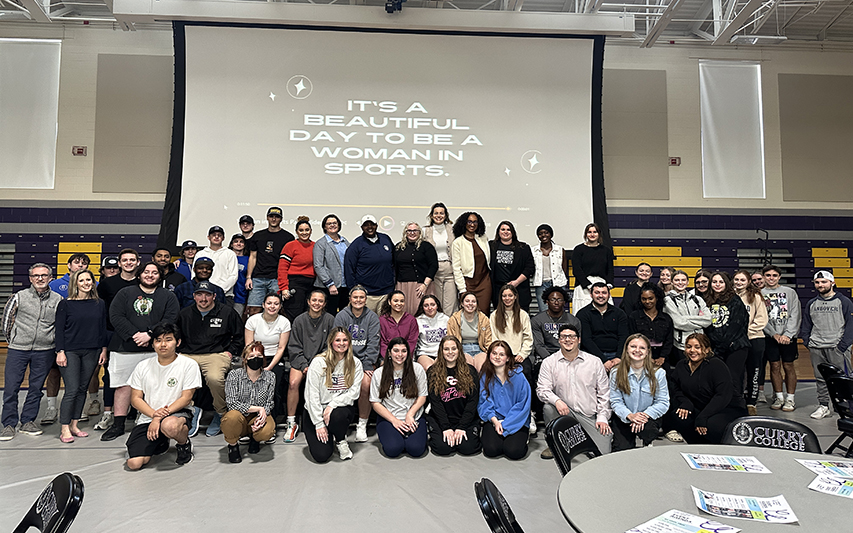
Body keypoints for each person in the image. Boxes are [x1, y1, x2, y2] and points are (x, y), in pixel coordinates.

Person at [100, 262, 180, 442]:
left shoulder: (168, 296)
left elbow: (171, 318)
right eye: (146, 272)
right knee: (122, 386)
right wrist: (135, 334)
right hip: (125, 347)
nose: (150, 275)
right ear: (139, 274)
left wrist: (150, 334)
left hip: (156, 349)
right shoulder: (125, 293)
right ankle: (118, 424)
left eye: (154, 272)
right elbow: (116, 316)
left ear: (160, 276)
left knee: (156, 386)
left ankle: (152, 420)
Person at [125, 323, 201, 470]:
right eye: (158, 340)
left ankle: (183, 444)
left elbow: (186, 397)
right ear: (153, 344)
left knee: (169, 426)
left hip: (177, 412)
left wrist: (158, 418)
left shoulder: (188, 364)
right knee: (134, 464)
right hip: (148, 415)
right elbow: (135, 399)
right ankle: (161, 441)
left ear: (177, 342)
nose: (163, 344)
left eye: (168, 339)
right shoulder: (142, 366)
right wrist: (153, 415)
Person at [1, 263, 62, 441]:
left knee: (35, 388)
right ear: (30, 278)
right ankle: (9, 424)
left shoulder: (57, 299)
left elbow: (59, 325)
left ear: (50, 278)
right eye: (36, 276)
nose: (40, 278)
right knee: (11, 387)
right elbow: (7, 320)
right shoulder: (19, 296)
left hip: (44, 350)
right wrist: (13, 340)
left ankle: (28, 421)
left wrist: (52, 343)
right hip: (18, 349)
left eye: (44, 275)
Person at [176, 281, 244, 438]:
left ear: (214, 296)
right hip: (189, 354)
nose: (203, 299)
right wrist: (178, 352)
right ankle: (190, 411)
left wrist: (230, 352)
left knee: (214, 378)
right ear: (194, 296)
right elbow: (176, 336)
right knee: (174, 375)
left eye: (207, 295)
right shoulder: (185, 314)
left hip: (216, 354)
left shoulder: (227, 312)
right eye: (199, 294)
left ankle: (221, 413)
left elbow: (239, 337)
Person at [537, 324, 612, 457]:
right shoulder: (549, 362)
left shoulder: (594, 362)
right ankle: (555, 444)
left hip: (589, 415)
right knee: (549, 407)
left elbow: (604, 393)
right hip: (565, 413)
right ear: (559, 340)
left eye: (572, 336)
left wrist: (602, 417)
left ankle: (576, 440)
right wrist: (557, 401)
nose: (567, 340)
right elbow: (542, 389)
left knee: (603, 453)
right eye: (563, 337)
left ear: (579, 340)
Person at [54, 270, 108, 443]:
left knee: (82, 388)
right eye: (82, 280)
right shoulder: (65, 304)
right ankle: (64, 427)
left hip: (92, 351)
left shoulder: (99, 303)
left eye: (88, 280)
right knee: (71, 389)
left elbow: (102, 328)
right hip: (70, 351)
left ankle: (74, 425)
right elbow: (59, 330)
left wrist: (104, 349)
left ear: (93, 282)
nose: (85, 283)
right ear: (75, 283)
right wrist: (60, 351)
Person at [665, 333, 746, 444]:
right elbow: (675, 388)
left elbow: (722, 396)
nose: (692, 350)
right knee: (678, 417)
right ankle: (696, 446)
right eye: (689, 347)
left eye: (697, 347)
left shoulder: (716, 365)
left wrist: (702, 417)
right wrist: (685, 402)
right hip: (700, 407)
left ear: (707, 350)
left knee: (711, 425)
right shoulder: (681, 365)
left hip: (726, 409)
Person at [94, 248, 141, 432]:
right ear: (119, 263)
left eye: (132, 260)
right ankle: (108, 414)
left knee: (140, 377)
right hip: (113, 335)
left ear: (138, 262)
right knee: (111, 377)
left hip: (139, 337)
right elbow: (100, 313)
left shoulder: (143, 282)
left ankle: (137, 412)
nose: (129, 263)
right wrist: (103, 343)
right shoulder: (107, 284)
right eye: (125, 260)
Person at [42, 252, 91, 425]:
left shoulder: (94, 285)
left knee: (85, 376)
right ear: (69, 265)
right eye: (77, 262)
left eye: (84, 263)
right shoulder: (55, 284)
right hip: (58, 337)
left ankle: (84, 407)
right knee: (54, 373)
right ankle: (51, 408)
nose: (80, 265)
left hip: (83, 339)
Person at [304, 328, 363, 462]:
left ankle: (341, 440)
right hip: (315, 411)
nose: (341, 343)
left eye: (345, 340)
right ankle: (329, 433)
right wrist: (319, 424)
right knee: (322, 456)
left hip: (338, 409)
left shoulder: (356, 363)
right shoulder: (318, 362)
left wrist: (332, 404)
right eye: (337, 340)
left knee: (338, 415)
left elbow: (354, 393)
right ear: (331, 342)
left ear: (349, 342)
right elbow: (311, 395)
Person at [284, 289, 335, 442]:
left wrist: (316, 365)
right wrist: (304, 365)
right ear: (308, 301)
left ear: (325, 303)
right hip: (301, 361)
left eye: (320, 301)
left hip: (322, 362)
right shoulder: (299, 320)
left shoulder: (330, 320)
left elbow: (331, 346)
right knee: (293, 383)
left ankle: (326, 420)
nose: (317, 303)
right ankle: (291, 422)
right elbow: (294, 346)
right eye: (314, 300)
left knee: (328, 384)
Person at [801, 270, 853, 419]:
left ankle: (847, 407)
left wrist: (842, 346)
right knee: (820, 378)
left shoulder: (844, 301)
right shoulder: (812, 303)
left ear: (832, 283)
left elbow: (850, 325)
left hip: (837, 347)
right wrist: (808, 342)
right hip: (817, 347)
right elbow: (807, 325)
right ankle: (823, 406)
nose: (820, 285)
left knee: (843, 378)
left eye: (824, 282)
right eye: (817, 282)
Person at [334, 285, 381, 442]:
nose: (358, 300)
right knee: (340, 383)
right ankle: (341, 423)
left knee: (366, 384)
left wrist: (367, 364)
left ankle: (362, 423)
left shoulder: (372, 317)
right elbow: (337, 342)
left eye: (361, 297)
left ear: (365, 300)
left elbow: (374, 343)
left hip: (365, 361)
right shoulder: (341, 316)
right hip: (344, 359)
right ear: (350, 299)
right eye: (355, 297)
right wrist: (344, 362)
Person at [370, 337, 429, 458]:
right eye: (396, 350)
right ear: (389, 352)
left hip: (414, 416)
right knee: (393, 449)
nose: (400, 354)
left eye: (404, 351)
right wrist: (394, 421)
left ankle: (407, 437)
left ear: (408, 353)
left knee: (416, 449)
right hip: (389, 418)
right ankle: (396, 436)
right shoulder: (379, 373)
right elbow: (375, 402)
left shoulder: (417, 369)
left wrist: (410, 415)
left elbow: (422, 396)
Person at [609, 334, 669, 451]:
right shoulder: (616, 372)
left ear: (647, 351)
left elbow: (663, 402)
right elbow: (616, 401)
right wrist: (630, 416)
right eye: (633, 346)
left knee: (648, 430)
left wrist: (644, 416)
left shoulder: (658, 373)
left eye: (642, 348)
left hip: (648, 417)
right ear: (626, 349)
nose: (637, 350)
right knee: (621, 451)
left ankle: (648, 442)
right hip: (625, 416)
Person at [426, 336, 481, 456]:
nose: (450, 352)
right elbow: (435, 403)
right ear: (441, 351)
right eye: (446, 349)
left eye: (453, 348)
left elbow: (473, 401)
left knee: (467, 448)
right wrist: (446, 427)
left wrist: (462, 427)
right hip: (442, 420)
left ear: (459, 350)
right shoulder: (432, 372)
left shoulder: (470, 371)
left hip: (465, 419)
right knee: (443, 449)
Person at [222, 341, 276, 463]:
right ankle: (233, 446)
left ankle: (255, 439)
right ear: (245, 359)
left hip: (256, 417)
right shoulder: (234, 375)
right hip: (239, 416)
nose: (255, 359)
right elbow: (231, 403)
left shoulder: (270, 376)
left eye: (259, 356)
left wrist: (263, 414)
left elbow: (269, 402)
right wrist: (258, 408)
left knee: (268, 430)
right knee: (231, 418)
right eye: (251, 356)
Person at [703, 272, 751, 403]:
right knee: (718, 379)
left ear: (726, 283)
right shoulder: (707, 300)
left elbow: (737, 324)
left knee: (733, 378)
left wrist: (724, 344)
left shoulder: (735, 300)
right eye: (714, 282)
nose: (717, 285)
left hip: (735, 346)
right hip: (716, 347)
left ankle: (737, 407)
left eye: (721, 282)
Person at [478, 340, 531, 460]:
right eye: (494, 353)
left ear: (507, 358)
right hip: (494, 419)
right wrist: (495, 421)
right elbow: (483, 401)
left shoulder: (519, 376)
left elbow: (522, 405)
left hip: (516, 419)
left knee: (514, 452)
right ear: (489, 355)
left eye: (501, 354)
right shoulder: (485, 375)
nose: (497, 357)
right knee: (491, 450)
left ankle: (524, 437)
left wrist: (506, 424)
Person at [245, 293, 291, 421]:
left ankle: (271, 422)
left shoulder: (284, 322)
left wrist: (269, 367)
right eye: (269, 303)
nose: (272, 306)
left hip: (274, 358)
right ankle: (251, 420)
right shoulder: (252, 320)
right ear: (263, 305)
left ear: (280, 306)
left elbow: (281, 348)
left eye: (276, 304)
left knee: (274, 387)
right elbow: (249, 346)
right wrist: (256, 364)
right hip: (255, 356)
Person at [761, 265, 801, 412]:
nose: (771, 278)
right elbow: (761, 318)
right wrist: (774, 334)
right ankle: (779, 397)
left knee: (788, 366)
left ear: (779, 277)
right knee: (774, 366)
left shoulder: (790, 292)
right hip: (770, 337)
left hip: (788, 337)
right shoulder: (759, 294)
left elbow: (795, 314)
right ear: (764, 277)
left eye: (774, 275)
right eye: (768, 275)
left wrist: (788, 335)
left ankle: (790, 398)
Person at [246, 206, 294, 316]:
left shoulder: (288, 237)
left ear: (281, 219)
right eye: (271, 216)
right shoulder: (258, 236)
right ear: (267, 218)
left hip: (276, 279)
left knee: (276, 311)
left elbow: (289, 261)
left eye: (277, 217)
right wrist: (249, 277)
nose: (273, 219)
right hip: (258, 278)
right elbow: (253, 257)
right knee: (254, 311)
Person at [733, 269, 769, 414]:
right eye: (737, 280)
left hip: (754, 338)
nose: (739, 282)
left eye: (742, 280)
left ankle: (752, 402)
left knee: (754, 370)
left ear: (748, 282)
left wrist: (744, 332)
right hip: (737, 341)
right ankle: (739, 399)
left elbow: (761, 320)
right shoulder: (730, 296)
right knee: (738, 371)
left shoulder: (755, 296)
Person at [344, 215, 395, 314]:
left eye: (372, 224)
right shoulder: (356, 245)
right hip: (367, 294)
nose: (369, 227)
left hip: (386, 292)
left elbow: (394, 262)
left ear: (376, 225)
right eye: (366, 225)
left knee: (384, 325)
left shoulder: (385, 239)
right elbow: (349, 268)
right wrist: (354, 290)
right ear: (362, 227)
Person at [576, 282, 629, 372]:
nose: (601, 296)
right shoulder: (583, 314)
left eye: (604, 293)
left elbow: (623, 337)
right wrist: (603, 360)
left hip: (616, 355)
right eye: (597, 292)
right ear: (591, 295)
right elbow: (586, 340)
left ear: (609, 295)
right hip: (591, 356)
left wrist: (618, 357)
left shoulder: (619, 313)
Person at [664, 270, 712, 365]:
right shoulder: (668, 300)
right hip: (681, 345)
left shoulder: (697, 299)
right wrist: (698, 320)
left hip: (700, 343)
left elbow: (708, 319)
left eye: (683, 280)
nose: (680, 282)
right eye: (677, 280)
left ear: (687, 282)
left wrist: (685, 318)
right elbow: (678, 323)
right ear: (672, 282)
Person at [489, 221, 535, 313]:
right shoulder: (491, 246)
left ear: (512, 232)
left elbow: (530, 268)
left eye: (508, 230)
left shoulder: (523, 248)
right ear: (498, 232)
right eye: (503, 229)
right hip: (498, 289)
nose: (505, 232)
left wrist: (516, 282)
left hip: (519, 289)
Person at [394, 222, 438, 316]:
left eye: (415, 230)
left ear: (420, 232)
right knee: (403, 314)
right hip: (402, 286)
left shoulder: (426, 246)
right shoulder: (398, 247)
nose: (412, 233)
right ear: (405, 232)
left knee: (420, 312)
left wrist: (425, 285)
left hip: (421, 286)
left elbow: (433, 266)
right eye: (409, 230)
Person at [451, 211, 491, 315]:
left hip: (484, 282)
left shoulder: (483, 238)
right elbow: (456, 268)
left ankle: (483, 332)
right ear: (464, 223)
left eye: (475, 222)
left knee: (484, 312)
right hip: (468, 283)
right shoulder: (458, 242)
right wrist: (462, 289)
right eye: (469, 222)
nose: (472, 224)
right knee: (469, 313)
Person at [278, 216, 316, 321]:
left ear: (311, 231)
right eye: (301, 230)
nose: (304, 232)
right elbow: (282, 269)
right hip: (295, 283)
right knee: (294, 315)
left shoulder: (316, 246)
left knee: (309, 315)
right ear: (296, 232)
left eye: (307, 230)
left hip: (312, 284)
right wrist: (284, 288)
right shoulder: (290, 246)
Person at [627, 283, 673, 369]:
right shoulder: (634, 316)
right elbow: (632, 337)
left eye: (650, 298)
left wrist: (662, 357)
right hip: (640, 354)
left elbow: (669, 340)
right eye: (644, 299)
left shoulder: (666, 318)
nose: (647, 302)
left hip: (662, 356)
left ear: (657, 298)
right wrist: (646, 357)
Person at [422, 202, 457, 315]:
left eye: (441, 213)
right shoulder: (425, 230)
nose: (439, 215)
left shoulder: (452, 229)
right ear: (431, 215)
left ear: (446, 215)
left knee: (450, 305)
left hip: (450, 270)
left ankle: (450, 330)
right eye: (436, 213)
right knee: (436, 304)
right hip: (434, 272)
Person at [571, 223, 614, 314]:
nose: (592, 234)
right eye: (589, 232)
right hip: (583, 288)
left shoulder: (606, 250)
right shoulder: (579, 249)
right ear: (586, 234)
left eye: (595, 232)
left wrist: (608, 285)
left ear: (599, 234)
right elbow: (577, 270)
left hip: (602, 285)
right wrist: (589, 286)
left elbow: (610, 269)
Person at [313, 214, 350, 314]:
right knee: (329, 315)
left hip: (344, 286)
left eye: (334, 223)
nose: (332, 225)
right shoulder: (320, 244)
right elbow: (318, 266)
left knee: (344, 315)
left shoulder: (345, 242)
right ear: (325, 227)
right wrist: (330, 284)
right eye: (329, 223)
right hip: (329, 287)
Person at [531, 224, 569, 314]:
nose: (543, 235)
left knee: (558, 310)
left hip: (558, 283)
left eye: (546, 233)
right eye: (540, 234)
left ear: (551, 234)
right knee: (544, 312)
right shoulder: (533, 250)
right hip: (541, 284)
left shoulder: (560, 250)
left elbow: (564, 267)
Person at [195, 225, 239, 303]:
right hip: (203, 295)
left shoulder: (230, 253)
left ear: (223, 238)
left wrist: (219, 290)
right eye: (214, 235)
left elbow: (233, 276)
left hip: (225, 295)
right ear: (208, 237)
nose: (216, 237)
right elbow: (194, 273)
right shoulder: (200, 254)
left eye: (219, 235)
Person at [447, 292, 492, 365]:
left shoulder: (484, 319)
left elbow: (488, 341)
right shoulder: (454, 319)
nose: (470, 304)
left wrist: (490, 352)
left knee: (481, 367)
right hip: (462, 349)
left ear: (476, 304)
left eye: (473, 301)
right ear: (462, 304)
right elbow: (451, 339)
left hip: (480, 349)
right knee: (469, 367)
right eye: (467, 301)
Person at [379, 290, 419, 359]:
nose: (399, 303)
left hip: (406, 356)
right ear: (389, 302)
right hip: (387, 357)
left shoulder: (411, 320)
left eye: (402, 301)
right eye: (396, 301)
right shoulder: (382, 320)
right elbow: (382, 343)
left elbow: (412, 341)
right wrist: (390, 357)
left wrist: (403, 355)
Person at [414, 295, 450, 371]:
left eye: (432, 305)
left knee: (441, 368)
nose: (430, 308)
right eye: (426, 306)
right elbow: (414, 342)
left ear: (437, 305)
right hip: (424, 353)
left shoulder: (446, 319)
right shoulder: (417, 321)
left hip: (442, 353)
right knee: (430, 369)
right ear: (422, 307)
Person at [229, 234, 249, 317]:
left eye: (241, 242)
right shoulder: (227, 257)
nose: (238, 244)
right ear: (231, 244)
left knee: (237, 320)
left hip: (241, 296)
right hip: (227, 294)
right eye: (236, 241)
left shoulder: (248, 259)